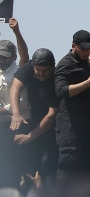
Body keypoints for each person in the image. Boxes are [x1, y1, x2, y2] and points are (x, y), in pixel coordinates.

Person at [54, 30, 90, 181]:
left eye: (89, 49)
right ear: (73, 46)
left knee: (83, 170)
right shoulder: (66, 64)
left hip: (85, 126)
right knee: (68, 169)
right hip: (71, 127)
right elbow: (61, 91)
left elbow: (89, 66)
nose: (86, 52)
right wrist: (88, 83)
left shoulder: (84, 63)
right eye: (83, 49)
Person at [7, 48, 58, 186]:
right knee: (23, 165)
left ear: (52, 67)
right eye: (38, 70)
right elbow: (15, 88)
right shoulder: (28, 68)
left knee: (45, 167)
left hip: (48, 129)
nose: (41, 74)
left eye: (45, 70)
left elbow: (51, 115)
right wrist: (16, 113)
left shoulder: (57, 79)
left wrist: (29, 137)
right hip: (29, 119)